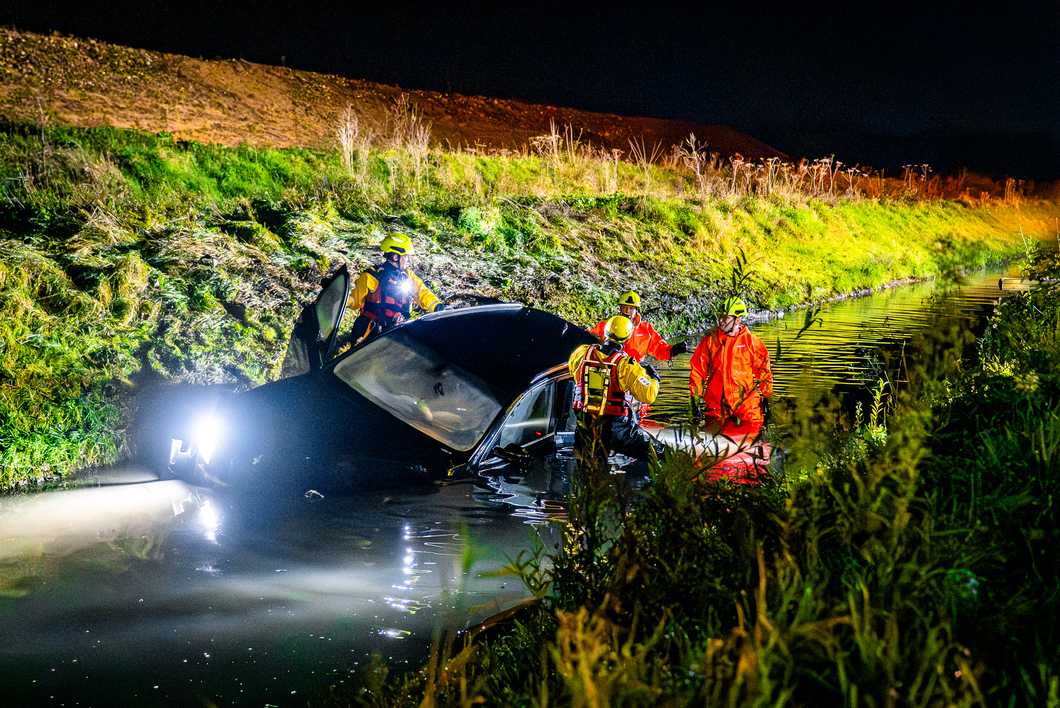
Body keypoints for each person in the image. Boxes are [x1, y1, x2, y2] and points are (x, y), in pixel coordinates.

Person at [568, 314, 666, 474]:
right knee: (659, 452)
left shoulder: (581, 354)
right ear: (626, 339)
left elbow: (574, 371)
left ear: (605, 333)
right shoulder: (626, 366)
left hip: (586, 427)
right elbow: (649, 395)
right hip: (616, 430)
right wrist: (653, 378)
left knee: (587, 473)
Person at [688, 296, 773, 441]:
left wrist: (768, 397)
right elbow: (697, 372)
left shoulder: (751, 342)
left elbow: (764, 372)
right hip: (716, 407)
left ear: (737, 320)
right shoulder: (710, 342)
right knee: (711, 443)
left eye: (725, 317)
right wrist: (694, 398)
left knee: (753, 442)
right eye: (720, 317)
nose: (720, 321)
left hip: (747, 407)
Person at [347, 233, 446, 344]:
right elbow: (354, 302)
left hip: (398, 331)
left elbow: (422, 293)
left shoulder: (408, 276)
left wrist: (437, 306)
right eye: (406, 256)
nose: (408, 260)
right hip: (369, 332)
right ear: (396, 257)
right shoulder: (371, 276)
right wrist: (340, 297)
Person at [589, 290, 688, 363]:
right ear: (620, 308)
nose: (627, 311)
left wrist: (674, 350)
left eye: (631, 308)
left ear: (637, 310)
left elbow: (659, 349)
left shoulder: (646, 329)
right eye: (625, 307)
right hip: (611, 367)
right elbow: (589, 341)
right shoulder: (606, 326)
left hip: (635, 370)